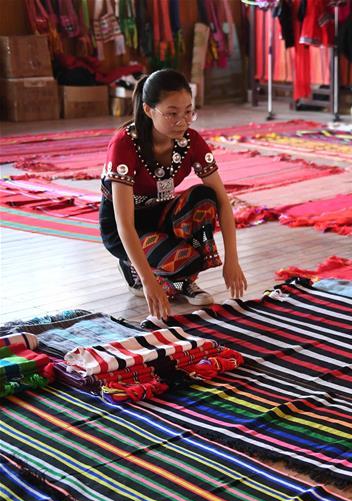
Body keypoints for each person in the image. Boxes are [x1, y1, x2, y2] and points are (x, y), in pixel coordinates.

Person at [100, 69, 247, 319]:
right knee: (184, 261)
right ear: (149, 110)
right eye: (172, 113)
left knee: (204, 197)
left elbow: (222, 201)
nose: (182, 121)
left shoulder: (191, 141)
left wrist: (233, 259)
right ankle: (135, 268)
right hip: (124, 228)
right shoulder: (124, 143)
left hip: (161, 215)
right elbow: (124, 223)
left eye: (188, 112)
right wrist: (148, 282)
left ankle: (181, 280)